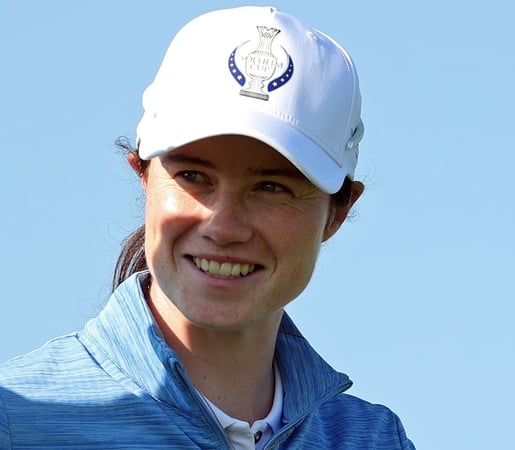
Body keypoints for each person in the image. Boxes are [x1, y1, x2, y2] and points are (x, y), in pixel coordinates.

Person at [0, 6, 414, 449]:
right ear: (143, 175)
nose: (223, 225)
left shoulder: (372, 438)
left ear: (338, 211)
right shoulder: (18, 419)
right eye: (193, 177)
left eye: (271, 187)